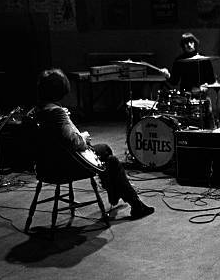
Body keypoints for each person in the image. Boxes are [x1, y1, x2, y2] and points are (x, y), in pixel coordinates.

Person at [34, 68, 154, 219]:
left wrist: (64, 119)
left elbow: (55, 137)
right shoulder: (57, 113)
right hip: (63, 168)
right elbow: (73, 142)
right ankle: (133, 203)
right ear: (60, 90)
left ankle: (116, 191)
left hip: (46, 166)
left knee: (105, 149)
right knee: (112, 161)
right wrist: (83, 137)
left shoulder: (40, 110)